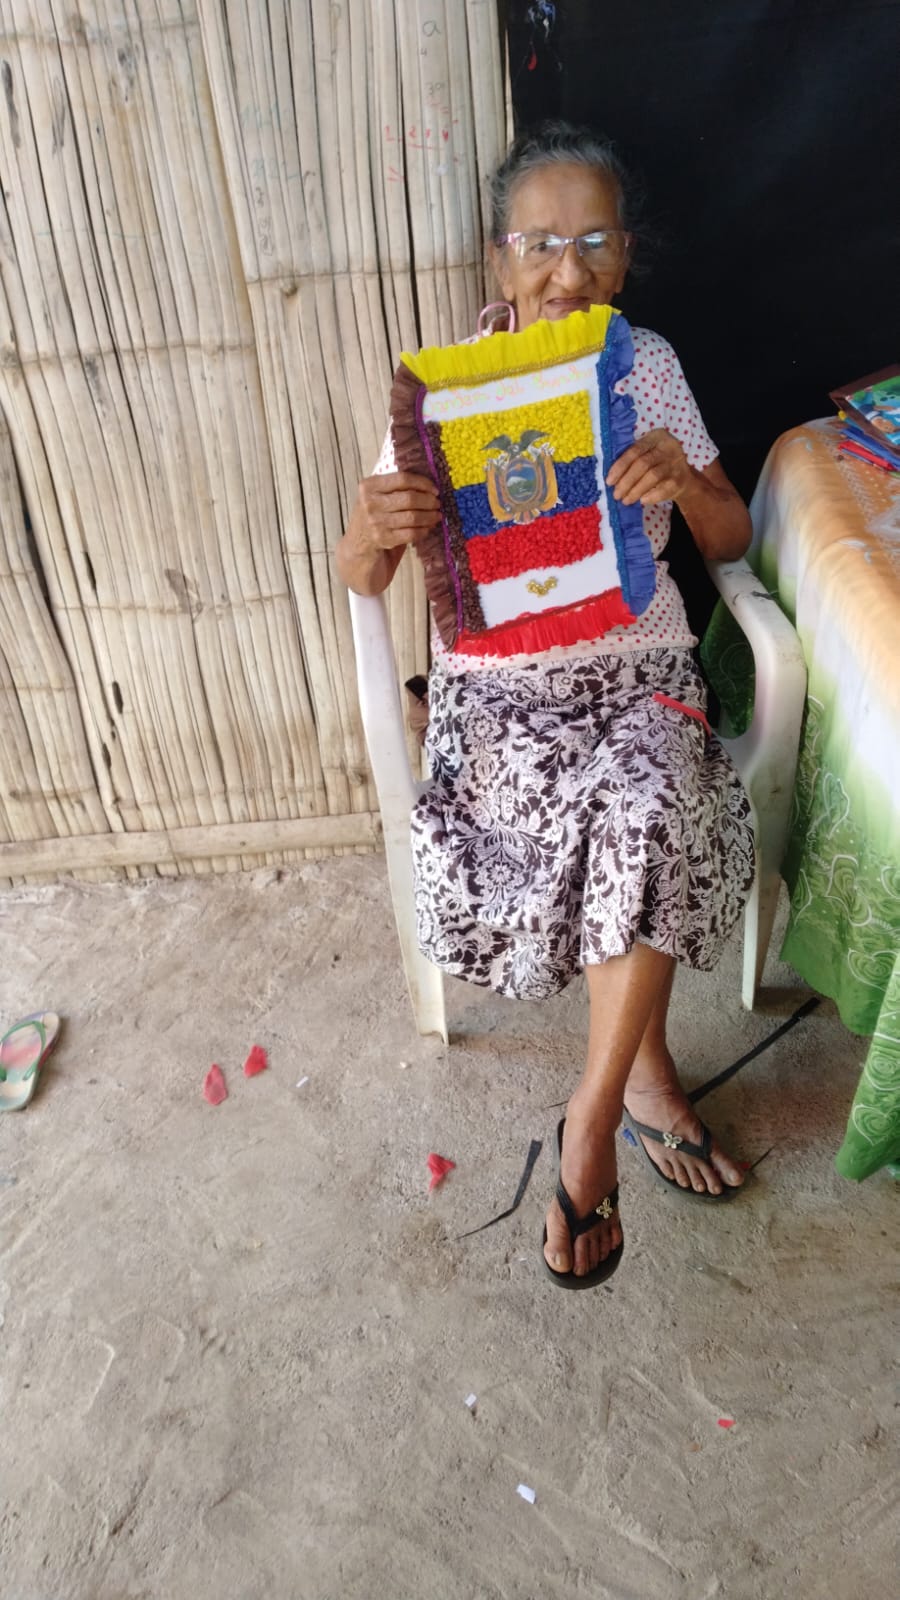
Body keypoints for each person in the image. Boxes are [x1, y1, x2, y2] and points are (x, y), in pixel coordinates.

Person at [336, 121, 755, 1289]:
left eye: (594, 242)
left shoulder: (646, 364)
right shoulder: (445, 392)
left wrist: (685, 479)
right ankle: (646, 1079)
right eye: (540, 243)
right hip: (499, 696)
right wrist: (370, 529)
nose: (568, 269)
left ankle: (592, 1118)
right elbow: (361, 570)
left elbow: (730, 534)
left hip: (642, 672)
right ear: (498, 257)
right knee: (611, 809)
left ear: (625, 256)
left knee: (653, 796)